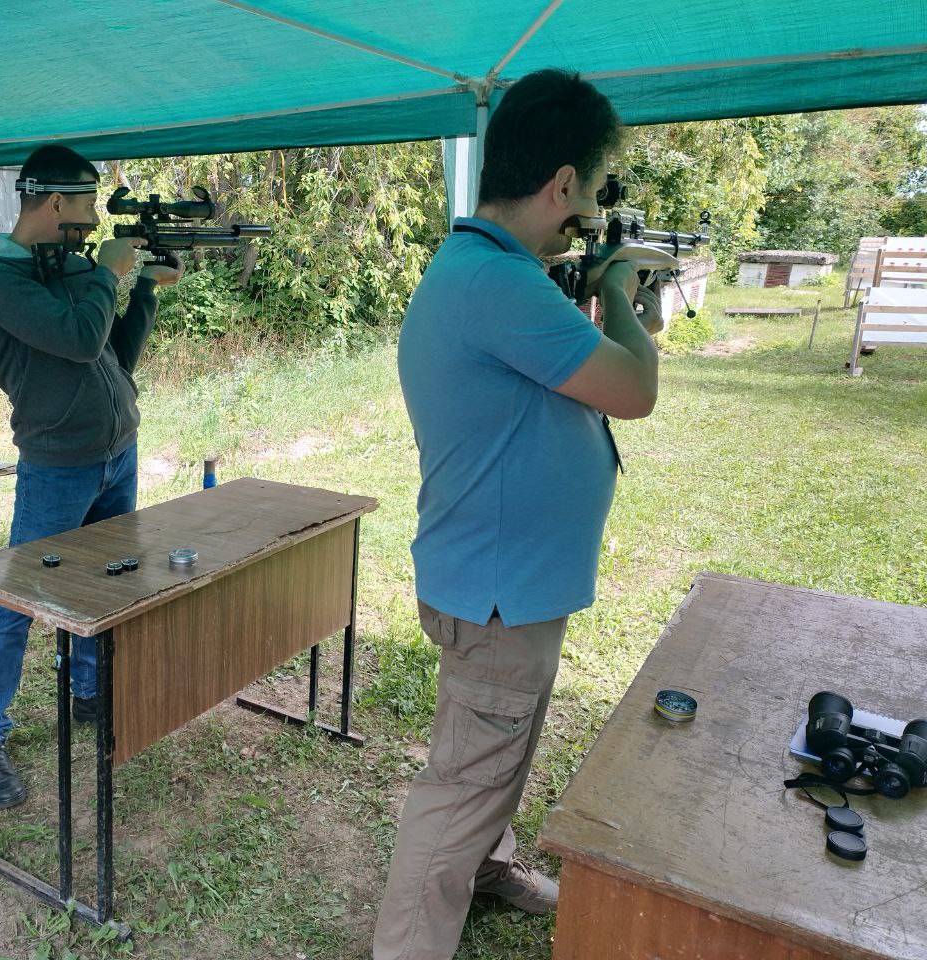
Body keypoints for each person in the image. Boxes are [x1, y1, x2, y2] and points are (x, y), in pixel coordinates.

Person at [373, 69, 663, 960]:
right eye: (582, 200)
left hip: (505, 583)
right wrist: (620, 287)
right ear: (563, 184)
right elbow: (633, 389)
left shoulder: (487, 269)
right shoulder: (498, 284)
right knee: (462, 782)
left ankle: (488, 868)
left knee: (494, 750)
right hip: (498, 594)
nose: (581, 216)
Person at [0, 145, 182, 809]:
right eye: (85, 207)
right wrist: (107, 273)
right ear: (54, 203)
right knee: (16, 601)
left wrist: (139, 291)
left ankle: (87, 693)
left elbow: (113, 356)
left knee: (105, 585)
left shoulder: (70, 268)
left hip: (116, 452)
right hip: (56, 464)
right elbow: (79, 338)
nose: (91, 222)